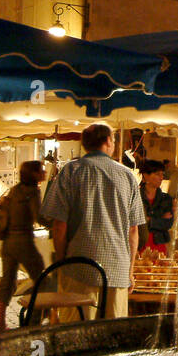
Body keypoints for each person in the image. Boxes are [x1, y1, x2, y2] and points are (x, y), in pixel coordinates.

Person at [40, 121, 146, 318]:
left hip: (79, 267)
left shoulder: (71, 172)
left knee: (76, 333)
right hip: (117, 270)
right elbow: (133, 230)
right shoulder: (127, 176)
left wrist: (63, 261)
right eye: (114, 139)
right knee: (112, 338)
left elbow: (59, 226)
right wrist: (129, 271)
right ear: (107, 141)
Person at [0, 160, 47, 330]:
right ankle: (34, 321)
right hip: (24, 241)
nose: (45, 173)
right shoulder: (32, 192)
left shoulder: (14, 190)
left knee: (7, 281)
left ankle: (1, 323)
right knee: (42, 280)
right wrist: (57, 222)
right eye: (42, 170)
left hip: (8, 241)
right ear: (34, 174)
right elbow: (39, 217)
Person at [138, 159, 174, 254]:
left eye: (162, 174)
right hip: (139, 242)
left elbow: (168, 223)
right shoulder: (136, 197)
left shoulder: (166, 199)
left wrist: (148, 220)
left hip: (159, 243)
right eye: (157, 174)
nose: (161, 178)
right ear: (146, 176)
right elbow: (135, 223)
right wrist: (158, 219)